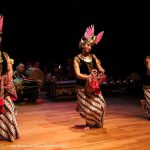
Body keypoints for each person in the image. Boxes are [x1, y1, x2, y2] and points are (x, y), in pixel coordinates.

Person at [73, 24, 106, 129]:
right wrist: (89, 77)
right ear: (83, 45)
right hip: (82, 88)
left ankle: (95, 122)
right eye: (88, 45)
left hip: (93, 86)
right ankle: (90, 123)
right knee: (88, 108)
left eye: (91, 46)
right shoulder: (77, 58)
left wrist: (101, 71)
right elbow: (78, 75)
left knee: (102, 104)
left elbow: (99, 67)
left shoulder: (93, 56)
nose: (89, 47)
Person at [0, 15, 20, 141]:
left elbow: (10, 70)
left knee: (8, 109)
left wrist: (6, 78)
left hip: (3, 87)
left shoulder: (5, 55)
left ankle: (8, 133)